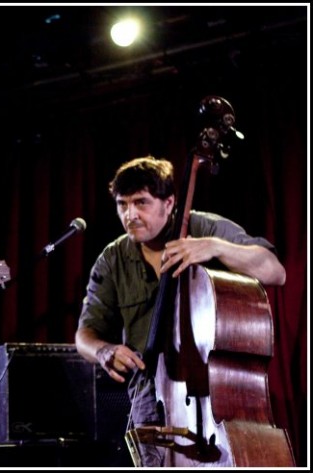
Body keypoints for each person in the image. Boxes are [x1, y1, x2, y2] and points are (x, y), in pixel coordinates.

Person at [74, 156, 286, 467]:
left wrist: (216, 247)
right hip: (149, 401)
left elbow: (275, 272)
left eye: (141, 202)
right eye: (122, 204)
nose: (130, 214)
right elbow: (84, 334)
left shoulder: (203, 227)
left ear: (169, 202)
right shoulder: (113, 258)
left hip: (213, 396)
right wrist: (103, 350)